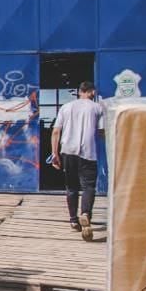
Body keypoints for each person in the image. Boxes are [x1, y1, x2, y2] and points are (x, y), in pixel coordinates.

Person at [50, 81, 104, 241]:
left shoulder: (66, 107)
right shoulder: (97, 108)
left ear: (79, 91)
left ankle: (74, 221)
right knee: (88, 187)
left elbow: (55, 131)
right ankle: (85, 213)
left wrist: (55, 154)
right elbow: (102, 132)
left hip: (68, 151)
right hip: (88, 152)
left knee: (71, 187)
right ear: (92, 92)